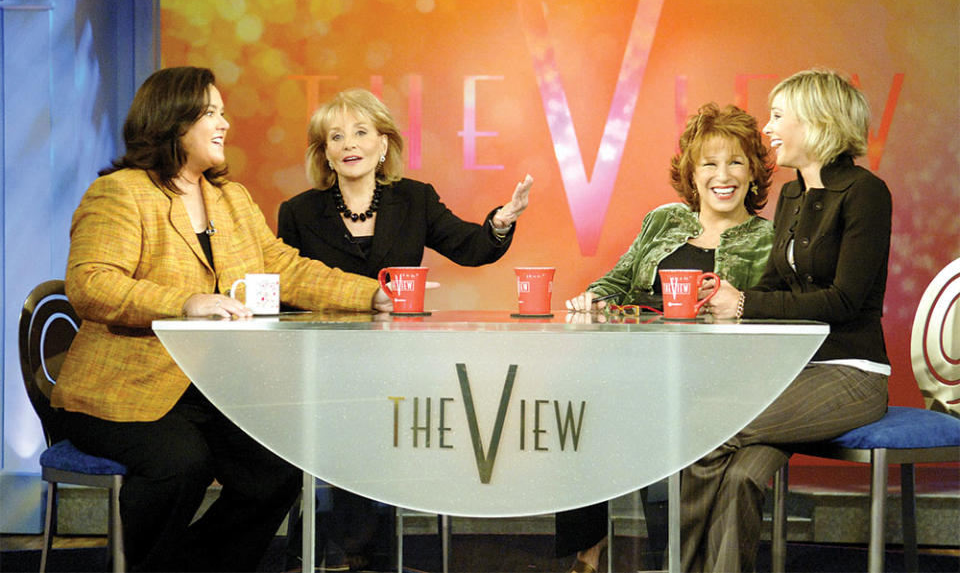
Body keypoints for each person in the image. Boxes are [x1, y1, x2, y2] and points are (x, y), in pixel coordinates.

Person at [50, 67, 392, 573]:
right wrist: (184, 301)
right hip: (120, 391)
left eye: (221, 111)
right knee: (180, 463)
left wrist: (373, 296)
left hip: (204, 389)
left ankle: (188, 565)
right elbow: (93, 284)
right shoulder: (121, 193)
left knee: (275, 466)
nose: (224, 123)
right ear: (173, 122)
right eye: (211, 112)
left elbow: (285, 267)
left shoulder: (230, 198)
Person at [277, 87, 533, 569]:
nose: (349, 144)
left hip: (396, 367)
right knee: (340, 424)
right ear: (325, 153)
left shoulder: (414, 199)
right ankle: (323, 553)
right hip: (322, 368)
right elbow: (289, 292)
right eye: (336, 136)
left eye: (360, 132)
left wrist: (502, 221)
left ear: (382, 143)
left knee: (380, 420)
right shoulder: (298, 212)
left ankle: (367, 557)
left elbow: (471, 247)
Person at [683, 69, 892, 572]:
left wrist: (745, 306)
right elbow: (780, 286)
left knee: (708, 431)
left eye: (778, 116)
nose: (767, 128)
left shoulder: (866, 193)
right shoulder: (793, 195)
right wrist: (728, 301)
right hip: (793, 374)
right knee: (740, 478)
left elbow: (842, 301)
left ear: (817, 122)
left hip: (852, 374)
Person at [557, 103, 775, 573]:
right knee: (581, 403)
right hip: (641, 367)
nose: (723, 175)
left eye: (736, 161)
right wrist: (592, 299)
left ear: (754, 173)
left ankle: (667, 559)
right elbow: (614, 282)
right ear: (691, 174)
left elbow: (770, 324)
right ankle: (590, 550)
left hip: (714, 381)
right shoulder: (664, 221)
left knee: (659, 421)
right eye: (709, 163)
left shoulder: (768, 240)